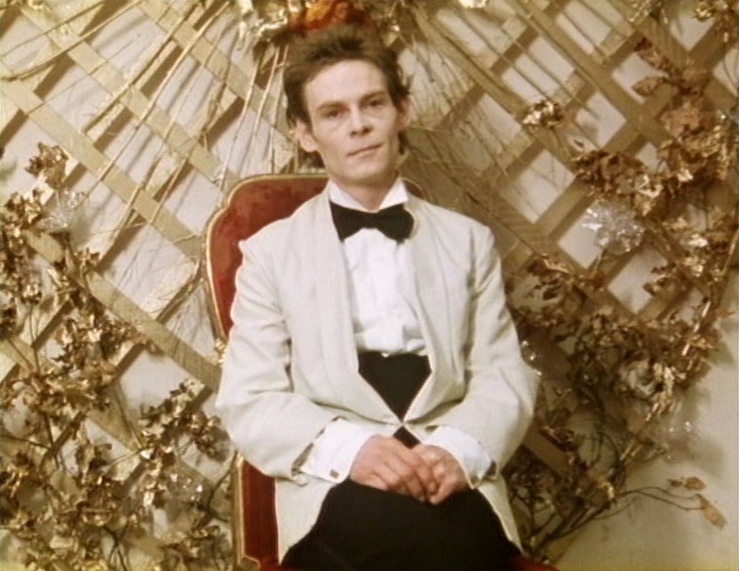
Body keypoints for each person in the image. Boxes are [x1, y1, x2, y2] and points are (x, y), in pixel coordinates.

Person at [215, 23, 539, 571]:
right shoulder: (270, 253)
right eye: (333, 113)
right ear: (305, 133)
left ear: (401, 111)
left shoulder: (467, 241)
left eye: (373, 104)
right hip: (335, 465)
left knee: (459, 541)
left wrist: (459, 451)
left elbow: (502, 372)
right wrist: (352, 451)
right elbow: (251, 396)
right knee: (396, 543)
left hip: (444, 444)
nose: (359, 125)